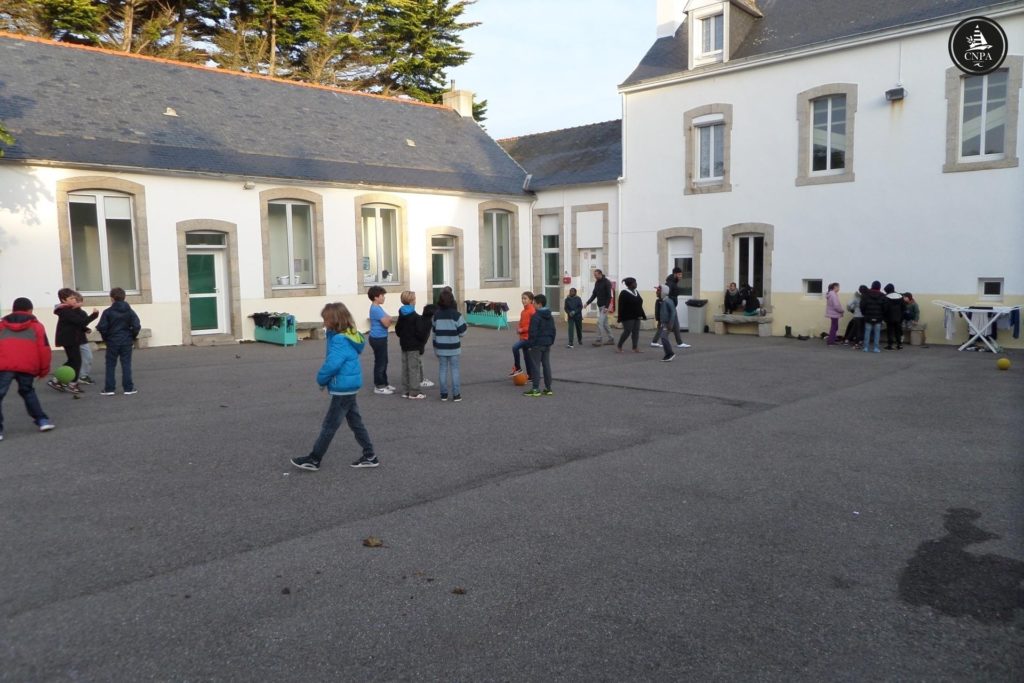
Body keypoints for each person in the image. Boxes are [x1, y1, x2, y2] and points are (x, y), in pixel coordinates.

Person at [291, 302, 377, 471]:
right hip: (349, 385)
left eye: (326, 320)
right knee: (355, 422)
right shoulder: (348, 335)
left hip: (343, 387)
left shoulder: (339, 339)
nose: (323, 323)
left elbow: (332, 364)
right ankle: (370, 455)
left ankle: (314, 459)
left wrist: (321, 380)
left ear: (334, 320)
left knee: (329, 426)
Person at [0, 297, 55, 438]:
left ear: (13, 309)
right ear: (30, 310)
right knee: (27, 391)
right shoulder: (37, 326)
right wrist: (44, 370)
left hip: (4, 365)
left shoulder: (2, 326)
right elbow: (44, 349)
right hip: (27, 365)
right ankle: (42, 420)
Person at [48, 287, 97, 394]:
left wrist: (85, 328)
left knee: (72, 361)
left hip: (72, 339)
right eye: (71, 298)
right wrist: (94, 315)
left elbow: (76, 324)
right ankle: (72, 384)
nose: (74, 300)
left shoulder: (69, 310)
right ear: (63, 300)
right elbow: (80, 322)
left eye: (74, 298)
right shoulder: (65, 311)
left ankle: (56, 380)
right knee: (77, 361)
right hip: (69, 340)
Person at [96, 287, 142, 395]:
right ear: (124, 297)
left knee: (110, 364)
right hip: (126, 340)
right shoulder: (130, 311)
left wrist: (106, 338)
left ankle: (109, 388)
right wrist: (132, 336)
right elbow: (136, 326)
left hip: (112, 340)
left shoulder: (107, 312)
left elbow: (102, 327)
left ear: (112, 298)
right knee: (126, 364)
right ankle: (128, 388)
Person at [432, 289, 467, 402]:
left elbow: (434, 332)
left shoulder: (436, 315)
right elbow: (463, 332)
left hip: (441, 347)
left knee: (442, 370)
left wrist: (435, 346)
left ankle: (443, 394)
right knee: (455, 370)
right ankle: (456, 394)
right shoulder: (457, 315)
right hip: (454, 347)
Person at [394, 291, 429, 399]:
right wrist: (421, 342)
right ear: (412, 301)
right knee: (414, 368)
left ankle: (405, 390)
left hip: (404, 344)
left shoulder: (401, 315)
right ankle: (414, 391)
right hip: (413, 345)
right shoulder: (415, 317)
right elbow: (420, 332)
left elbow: (398, 330)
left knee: (405, 368)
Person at [523, 294, 556, 396]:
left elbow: (532, 332)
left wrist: (530, 345)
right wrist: (551, 341)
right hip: (547, 343)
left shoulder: (536, 316)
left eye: (534, 303)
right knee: (546, 365)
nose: (533, 305)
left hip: (537, 344)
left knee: (535, 366)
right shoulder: (549, 315)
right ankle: (548, 388)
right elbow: (553, 330)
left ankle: (535, 388)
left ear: (539, 304)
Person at [366, 285, 395, 394]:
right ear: (375, 297)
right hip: (378, 338)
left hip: (380, 338)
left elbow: (389, 317)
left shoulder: (378, 307)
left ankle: (385, 383)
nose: (384, 297)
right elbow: (387, 323)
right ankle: (379, 386)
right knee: (380, 362)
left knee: (384, 361)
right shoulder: (376, 309)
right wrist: (388, 320)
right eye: (382, 296)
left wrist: (388, 319)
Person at [651, 268, 687, 348]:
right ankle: (675, 342)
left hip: (671, 306)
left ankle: (679, 343)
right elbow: (665, 294)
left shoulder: (673, 282)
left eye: (681, 275)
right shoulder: (670, 283)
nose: (681, 276)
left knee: (675, 325)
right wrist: (669, 304)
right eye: (679, 275)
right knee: (665, 325)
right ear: (675, 274)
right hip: (669, 306)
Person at [615, 277, 646, 353]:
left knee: (636, 332)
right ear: (630, 284)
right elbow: (620, 306)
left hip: (636, 316)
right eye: (635, 283)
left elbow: (639, 304)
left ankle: (635, 347)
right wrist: (620, 318)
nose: (636, 284)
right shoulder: (624, 293)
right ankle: (619, 346)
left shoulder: (636, 291)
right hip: (627, 317)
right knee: (627, 331)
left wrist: (643, 315)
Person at [509, 291, 536, 377]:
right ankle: (530, 376)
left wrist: (522, 330)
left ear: (531, 300)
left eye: (525, 299)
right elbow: (521, 322)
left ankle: (518, 368)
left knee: (515, 347)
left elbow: (533, 325)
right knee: (527, 357)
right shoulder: (523, 311)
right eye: (522, 298)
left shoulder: (532, 311)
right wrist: (518, 328)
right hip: (522, 337)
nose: (523, 300)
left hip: (528, 338)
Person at [585, 269, 615, 346]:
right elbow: (594, 294)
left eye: (596, 275)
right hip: (600, 306)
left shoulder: (607, 282)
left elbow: (609, 296)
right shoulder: (597, 282)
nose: (595, 276)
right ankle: (611, 339)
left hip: (605, 306)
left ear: (600, 274)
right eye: (594, 275)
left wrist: (607, 307)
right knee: (605, 324)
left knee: (599, 322)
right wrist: (587, 303)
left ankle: (599, 340)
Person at [74, 292, 96, 384]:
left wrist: (86, 329)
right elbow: (75, 324)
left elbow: (81, 323)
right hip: (73, 339)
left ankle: (83, 375)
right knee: (74, 360)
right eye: (76, 302)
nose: (78, 303)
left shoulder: (82, 313)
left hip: (82, 339)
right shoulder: (67, 313)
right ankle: (74, 376)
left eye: (79, 302)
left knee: (88, 357)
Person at [859, 281, 887, 353]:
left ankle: (866, 348)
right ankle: (876, 348)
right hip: (878, 317)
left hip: (868, 316)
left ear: (872, 286)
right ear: (879, 287)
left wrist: (864, 313)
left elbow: (862, 306)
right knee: (877, 333)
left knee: (867, 332)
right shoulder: (883, 295)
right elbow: (885, 307)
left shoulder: (866, 294)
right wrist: (882, 315)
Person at [656, 285, 677, 362]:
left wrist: (670, 324)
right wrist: (659, 322)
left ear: (663, 292)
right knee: (663, 337)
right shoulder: (663, 301)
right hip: (663, 323)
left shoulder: (668, 301)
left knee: (663, 337)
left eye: (658, 291)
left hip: (667, 323)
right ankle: (668, 354)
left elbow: (673, 313)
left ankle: (670, 354)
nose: (656, 292)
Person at [883, 283, 906, 350]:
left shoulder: (886, 297)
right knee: (898, 331)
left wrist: (884, 316)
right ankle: (899, 345)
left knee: (890, 331)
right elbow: (904, 307)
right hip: (899, 317)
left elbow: (885, 308)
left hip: (889, 317)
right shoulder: (900, 296)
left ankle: (890, 345)